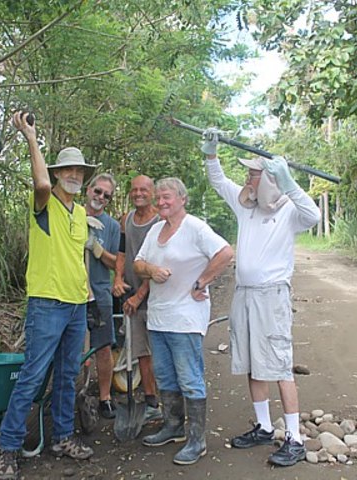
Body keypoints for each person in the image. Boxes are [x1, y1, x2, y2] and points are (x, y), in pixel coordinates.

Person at [200, 129, 321, 467]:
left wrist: (289, 181)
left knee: (280, 364)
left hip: (272, 297)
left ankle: (295, 439)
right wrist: (211, 153)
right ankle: (265, 426)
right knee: (252, 364)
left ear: (268, 178)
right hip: (245, 296)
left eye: (252, 173)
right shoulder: (246, 208)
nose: (246, 179)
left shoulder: (287, 212)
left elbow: (314, 216)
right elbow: (218, 181)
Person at [0, 112, 96, 480]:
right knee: (33, 377)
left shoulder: (81, 212)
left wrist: (88, 299)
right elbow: (39, 182)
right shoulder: (44, 203)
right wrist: (31, 138)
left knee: (68, 376)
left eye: (79, 171)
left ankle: (63, 437)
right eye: (68, 170)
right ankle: (7, 448)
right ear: (56, 173)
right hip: (47, 304)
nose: (74, 175)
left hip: (75, 306)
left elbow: (79, 257)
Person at [133, 177, 234, 465]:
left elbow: (225, 253)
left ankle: (197, 440)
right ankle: (173, 426)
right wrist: (151, 269)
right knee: (165, 376)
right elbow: (137, 265)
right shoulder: (155, 230)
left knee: (189, 379)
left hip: (186, 318)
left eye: (167, 197)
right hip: (158, 318)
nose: (162, 202)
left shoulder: (195, 228)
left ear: (182, 200)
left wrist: (202, 281)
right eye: (159, 198)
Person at [111, 175, 162, 422]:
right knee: (140, 350)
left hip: (156, 297)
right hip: (131, 296)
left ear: (152, 192)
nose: (138, 193)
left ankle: (173, 402)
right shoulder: (127, 220)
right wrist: (118, 278)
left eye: (143, 189)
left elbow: (159, 265)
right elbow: (121, 252)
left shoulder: (160, 222)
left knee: (161, 351)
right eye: (134, 190)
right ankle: (151, 400)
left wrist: (140, 296)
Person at [83, 173, 120, 420]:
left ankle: (104, 397)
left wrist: (97, 249)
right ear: (88, 189)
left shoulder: (113, 226)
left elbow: (117, 262)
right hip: (72, 293)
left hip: (100, 293)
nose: (100, 198)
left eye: (106, 195)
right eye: (97, 192)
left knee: (103, 348)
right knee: (73, 350)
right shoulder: (71, 215)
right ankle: (77, 393)